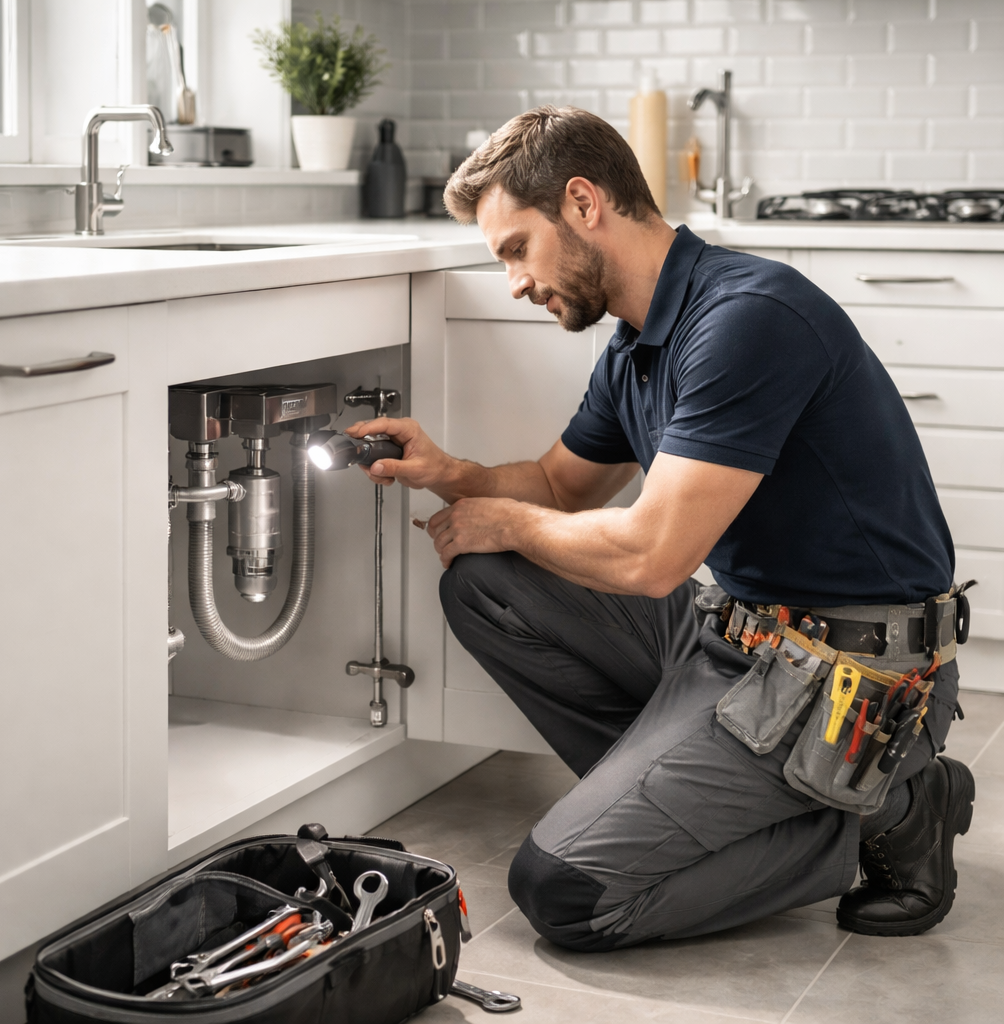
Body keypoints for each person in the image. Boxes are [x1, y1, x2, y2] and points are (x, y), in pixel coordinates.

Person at [344, 106, 976, 950]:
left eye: (515, 249)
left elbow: (651, 556)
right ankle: (682, 797)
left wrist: (508, 519)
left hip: (856, 681)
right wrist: (451, 474)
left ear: (581, 203)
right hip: (739, 639)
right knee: (485, 581)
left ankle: (895, 803)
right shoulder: (636, 343)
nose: (516, 283)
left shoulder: (747, 318)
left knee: (563, 893)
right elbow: (558, 487)